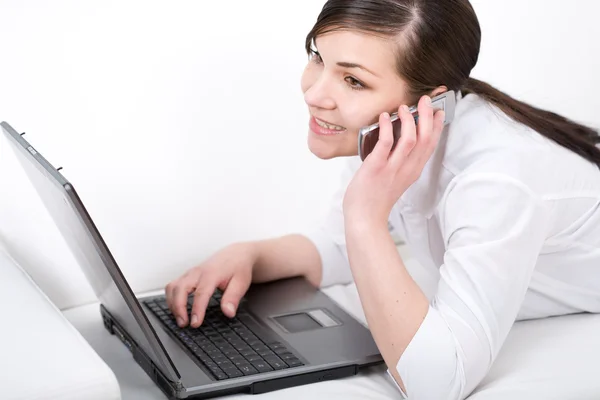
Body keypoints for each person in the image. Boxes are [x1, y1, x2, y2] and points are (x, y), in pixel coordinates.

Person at [165, 0, 600, 398]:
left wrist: (365, 217)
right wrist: (253, 256)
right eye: (318, 57)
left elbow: (439, 383)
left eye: (353, 80)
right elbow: (337, 246)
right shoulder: (388, 133)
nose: (314, 94)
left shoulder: (497, 181)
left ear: (429, 102)